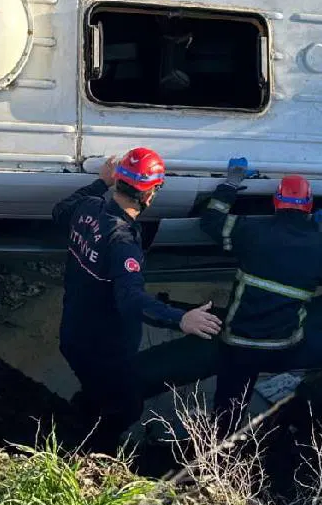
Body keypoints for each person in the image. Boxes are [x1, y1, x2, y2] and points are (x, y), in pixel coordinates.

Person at [52, 147, 223, 455]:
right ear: (150, 195)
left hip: (74, 333)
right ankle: (95, 453)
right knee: (126, 408)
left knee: (96, 389)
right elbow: (131, 300)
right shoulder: (123, 244)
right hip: (105, 349)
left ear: (117, 181)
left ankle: (84, 409)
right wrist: (180, 319)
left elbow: (59, 211)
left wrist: (99, 183)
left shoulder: (88, 207)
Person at [198, 157, 322, 436]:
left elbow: (210, 221)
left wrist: (231, 182)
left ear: (276, 202)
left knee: (226, 418)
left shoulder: (252, 232)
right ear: (309, 206)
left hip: (239, 349)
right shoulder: (321, 247)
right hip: (285, 350)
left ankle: (216, 461)